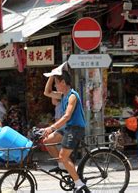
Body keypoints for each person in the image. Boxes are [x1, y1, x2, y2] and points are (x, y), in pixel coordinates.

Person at [42, 65, 88, 193]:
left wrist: (51, 127)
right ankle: (63, 165)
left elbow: (67, 116)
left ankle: (79, 184)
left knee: (63, 155)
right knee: (47, 141)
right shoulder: (62, 95)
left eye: (57, 83)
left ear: (63, 82)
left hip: (75, 129)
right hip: (67, 128)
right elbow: (46, 92)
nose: (55, 86)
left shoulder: (72, 96)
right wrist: (52, 76)